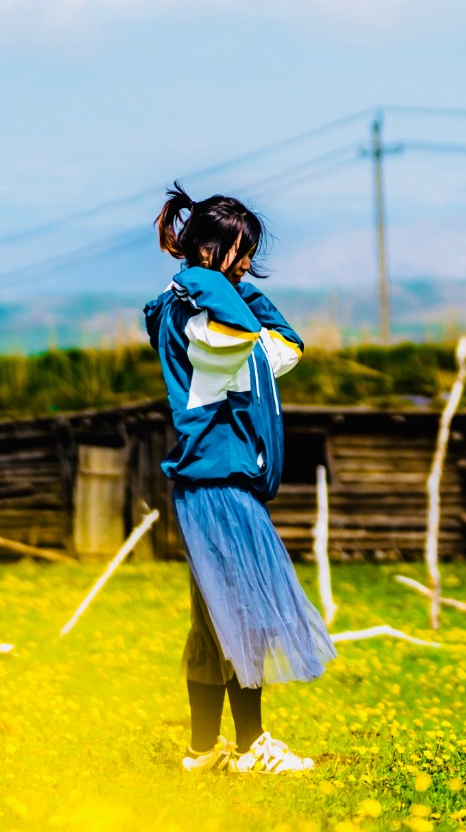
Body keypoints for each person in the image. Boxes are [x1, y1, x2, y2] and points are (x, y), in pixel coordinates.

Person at [143, 183, 335, 774]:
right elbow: (236, 334)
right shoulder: (198, 322)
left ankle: (204, 750)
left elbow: (288, 347)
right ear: (208, 251)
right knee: (244, 613)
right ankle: (250, 747)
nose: (248, 264)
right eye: (240, 252)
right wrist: (205, 280)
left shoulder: (220, 319)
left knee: (217, 620)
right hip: (218, 483)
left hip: (218, 483)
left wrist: (233, 285)